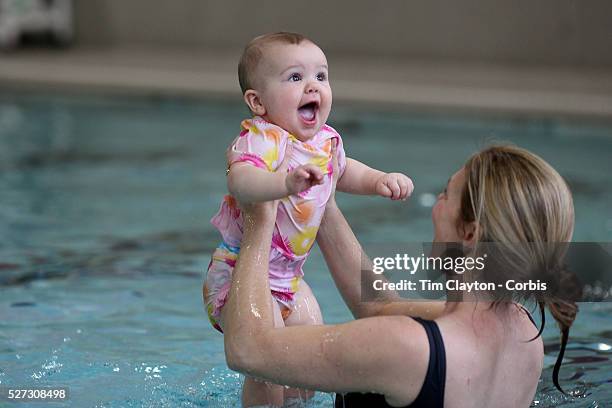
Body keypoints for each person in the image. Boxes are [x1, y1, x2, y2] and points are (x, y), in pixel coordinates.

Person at [221, 144, 579, 407]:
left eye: (445, 195)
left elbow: (248, 350)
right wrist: (323, 203)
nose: (436, 207)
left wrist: (260, 219)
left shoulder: (406, 347)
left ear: (469, 234)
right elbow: (379, 308)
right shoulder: (524, 332)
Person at [203, 32, 414, 407]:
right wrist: (282, 182)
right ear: (258, 101)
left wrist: (380, 180)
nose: (313, 86)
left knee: (307, 359)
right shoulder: (261, 139)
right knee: (267, 367)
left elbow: (345, 172)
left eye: (321, 76)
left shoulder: (325, 141)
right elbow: (241, 180)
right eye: (295, 78)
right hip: (240, 274)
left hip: (289, 279)